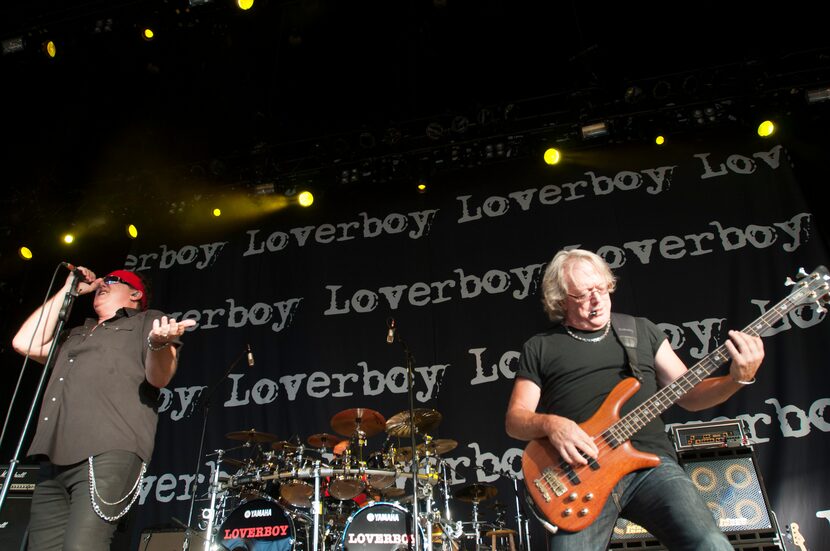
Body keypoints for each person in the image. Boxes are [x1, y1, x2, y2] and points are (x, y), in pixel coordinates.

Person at [505, 249, 764, 551]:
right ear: (561, 299)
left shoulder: (641, 331)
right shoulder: (541, 347)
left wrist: (737, 378)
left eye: (601, 288)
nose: (597, 299)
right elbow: (515, 420)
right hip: (580, 476)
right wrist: (552, 424)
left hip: (651, 467)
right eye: (583, 294)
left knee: (710, 544)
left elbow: (691, 396)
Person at [11, 266, 197, 551]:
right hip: (52, 456)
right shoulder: (76, 333)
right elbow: (25, 342)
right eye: (102, 280)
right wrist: (68, 290)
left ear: (135, 293)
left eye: (114, 280)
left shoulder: (148, 321)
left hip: (107, 451)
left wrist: (160, 345)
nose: (103, 283)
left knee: (82, 546)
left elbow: (159, 378)